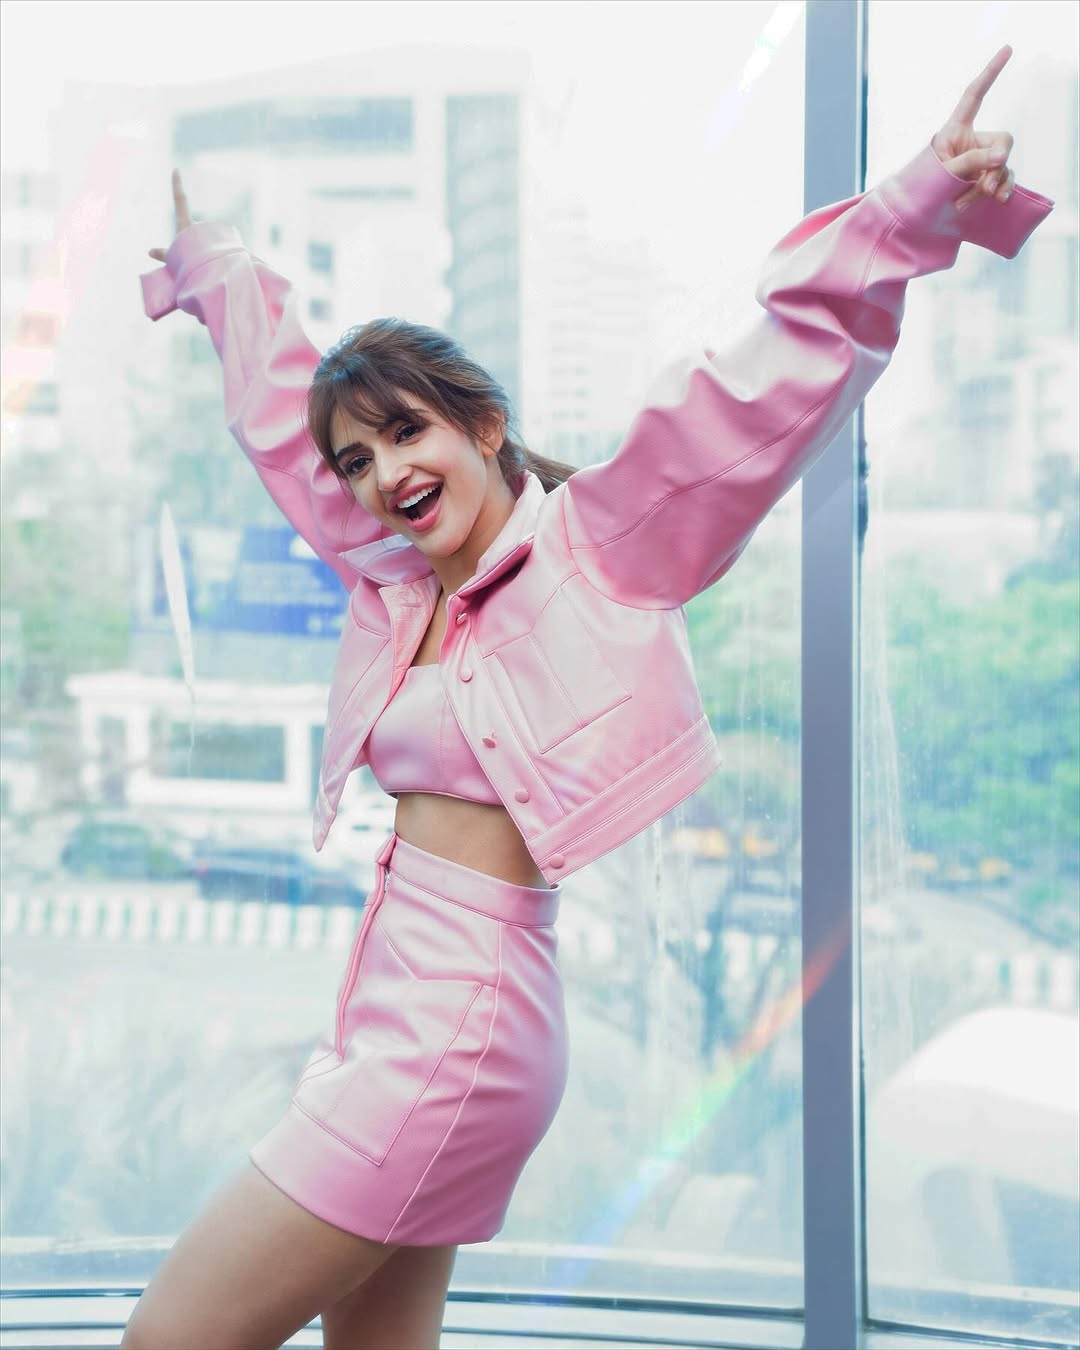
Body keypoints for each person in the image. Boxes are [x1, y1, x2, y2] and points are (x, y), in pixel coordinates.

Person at [122, 45, 1051, 1350]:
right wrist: (215, 268)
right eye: (360, 459)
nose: (383, 473)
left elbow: (749, 398)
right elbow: (286, 426)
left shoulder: (596, 551)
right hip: (398, 1014)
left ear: (482, 424)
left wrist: (911, 203)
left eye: (408, 431)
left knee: (169, 1340)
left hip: (457, 1030)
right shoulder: (392, 582)